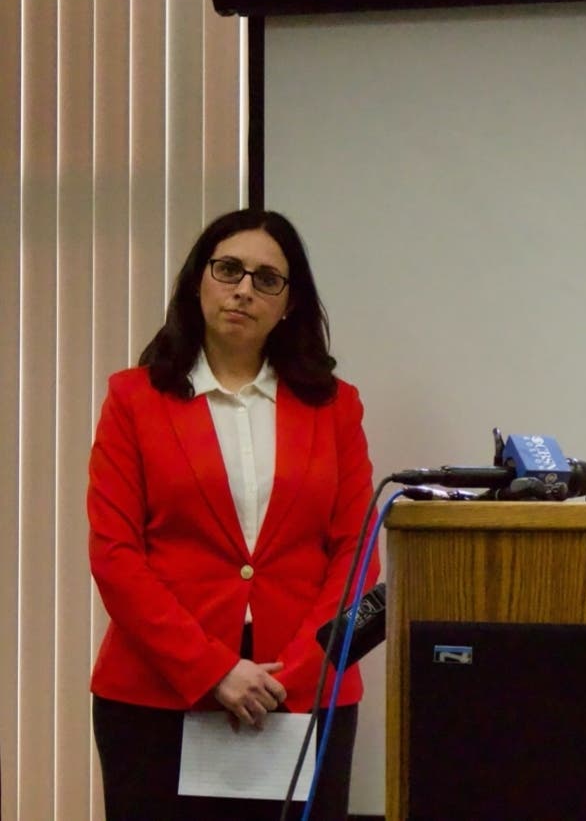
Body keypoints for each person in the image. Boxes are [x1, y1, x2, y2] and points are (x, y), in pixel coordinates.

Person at [88, 208, 379, 820]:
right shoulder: (133, 400)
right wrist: (214, 669)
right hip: (156, 696)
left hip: (301, 694)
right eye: (229, 270)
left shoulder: (336, 409)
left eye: (267, 278)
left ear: (288, 304)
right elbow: (115, 557)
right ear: (199, 282)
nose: (244, 288)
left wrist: (291, 678)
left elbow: (356, 554)